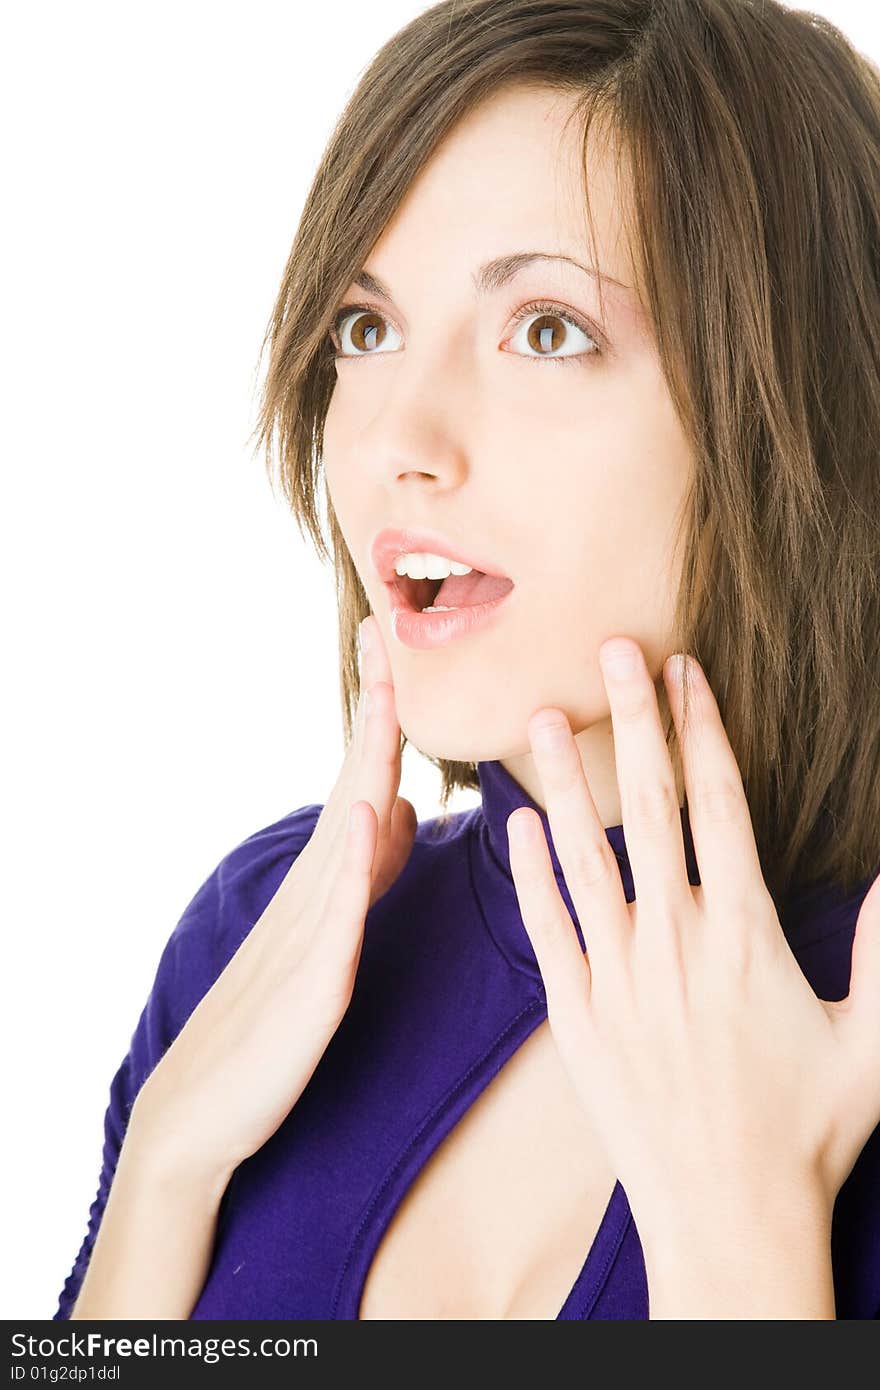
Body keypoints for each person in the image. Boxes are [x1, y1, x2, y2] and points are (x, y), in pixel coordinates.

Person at [54, 0, 880, 1320]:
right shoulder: (263, 936)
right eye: (365, 328)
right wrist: (165, 1167)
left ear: (795, 403)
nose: (395, 437)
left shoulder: (856, 1042)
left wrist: (745, 1248)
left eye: (545, 329)